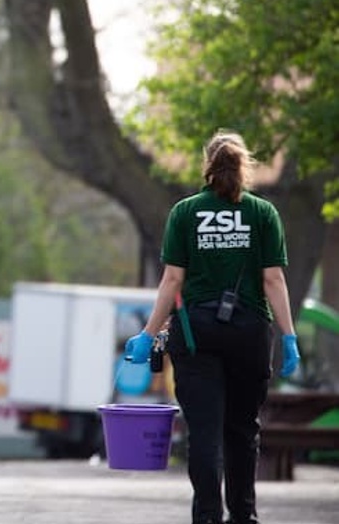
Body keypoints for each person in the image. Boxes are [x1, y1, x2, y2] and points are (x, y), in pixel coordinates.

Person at [124, 130, 299, 524]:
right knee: (242, 430)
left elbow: (172, 281)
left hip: (195, 333)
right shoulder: (262, 213)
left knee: (204, 433)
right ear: (244, 167)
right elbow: (273, 280)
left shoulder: (185, 213)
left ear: (208, 166)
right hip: (249, 334)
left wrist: (148, 334)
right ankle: (244, 516)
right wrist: (288, 336)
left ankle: (206, 517)